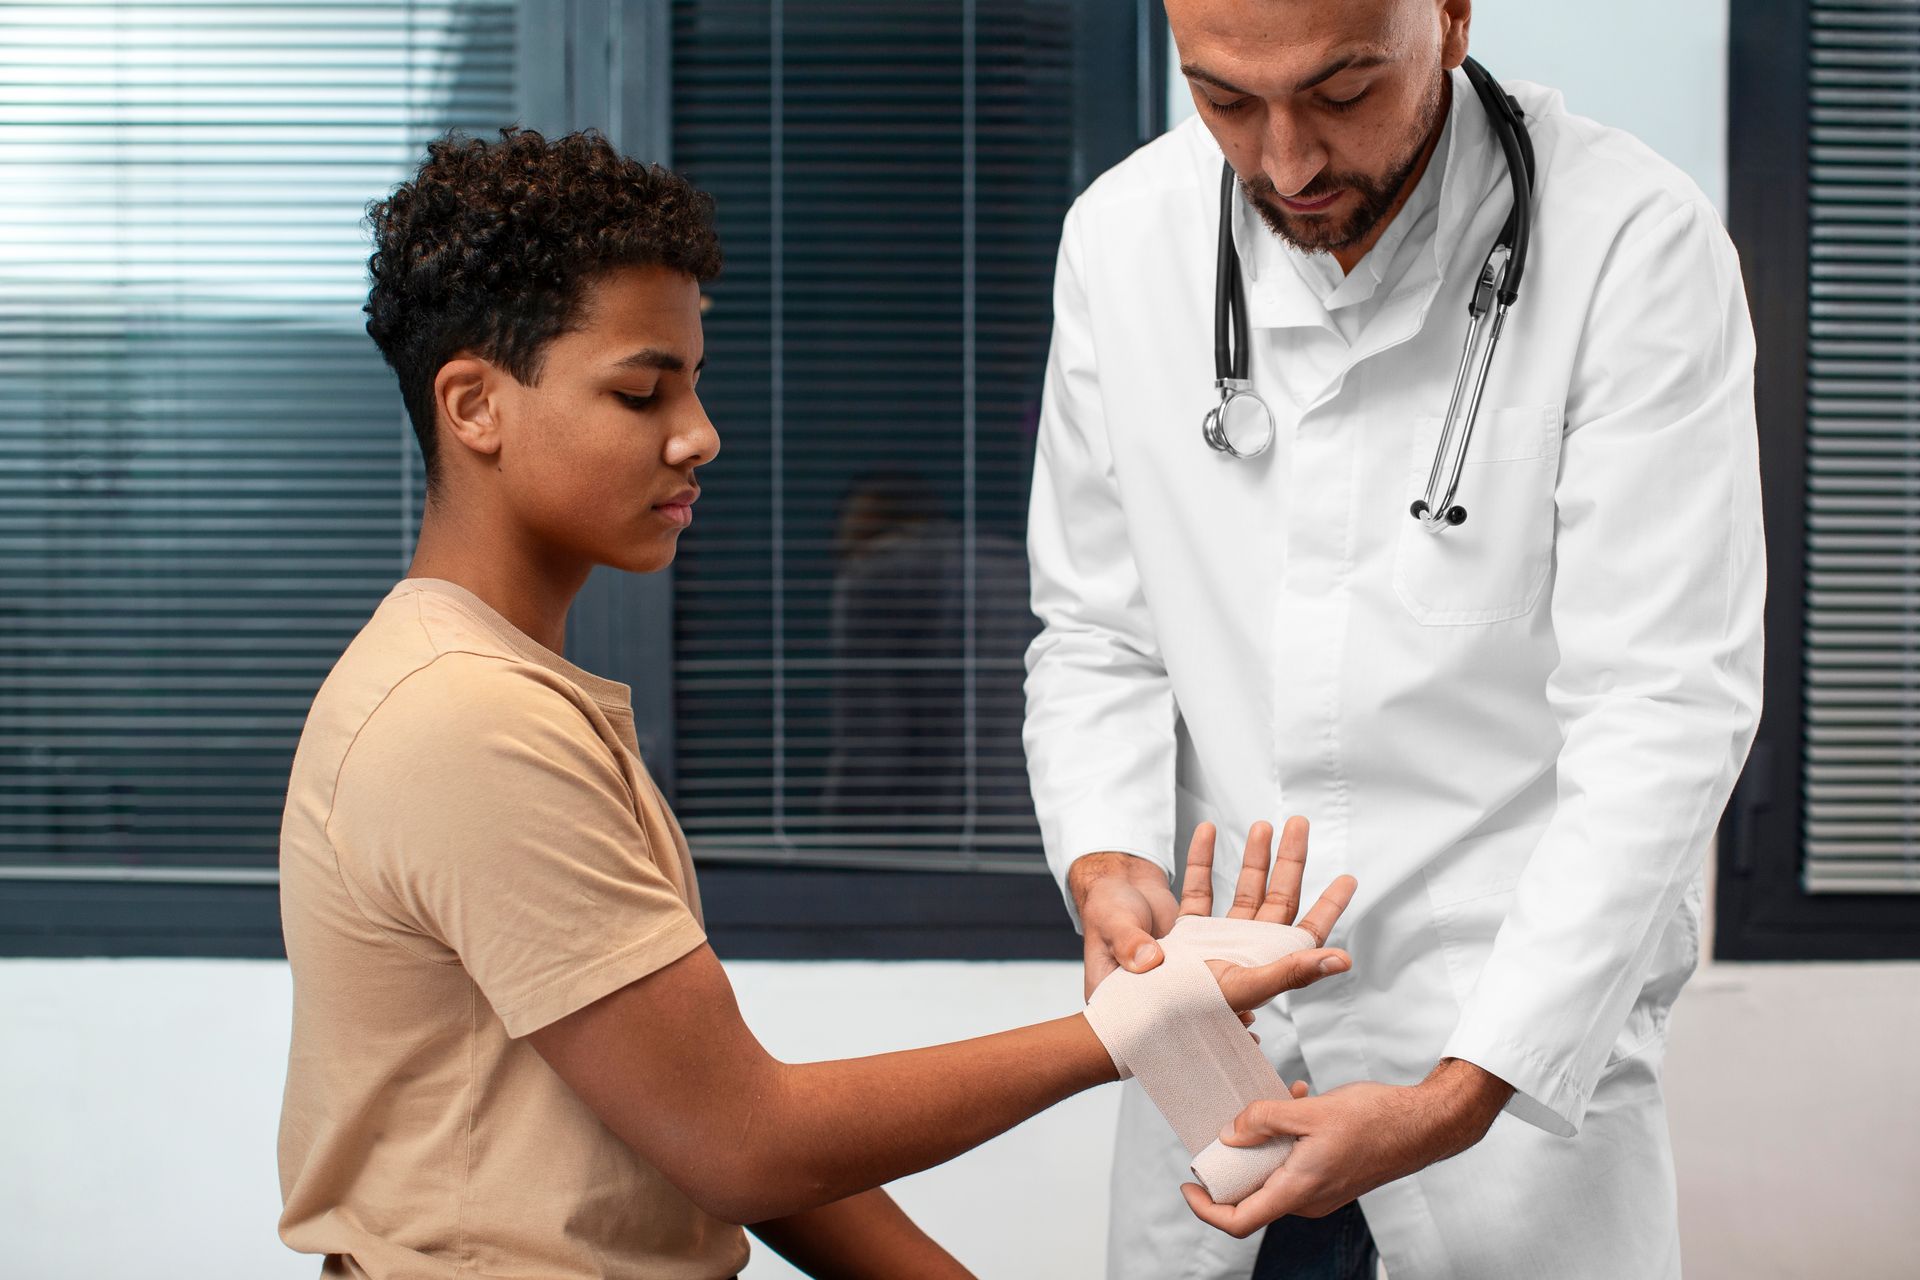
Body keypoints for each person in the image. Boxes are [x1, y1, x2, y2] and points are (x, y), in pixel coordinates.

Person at [274, 126, 1357, 1279]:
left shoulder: (516, 690)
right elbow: (745, 1141)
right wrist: (1137, 1024)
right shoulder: (466, 720)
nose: (699, 434)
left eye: (692, 382)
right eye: (643, 392)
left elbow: (695, 1125)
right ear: (474, 405)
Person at [1022, 2, 1763, 1277]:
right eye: (1226, 102)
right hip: (1221, 1048)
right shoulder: (1123, 238)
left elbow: (1662, 708)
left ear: (1453, 16)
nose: (1290, 164)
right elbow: (1096, 629)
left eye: (1345, 92)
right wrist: (1104, 859)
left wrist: (1457, 1094)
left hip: (1499, 1060)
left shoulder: (1632, 247)